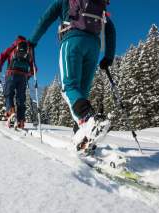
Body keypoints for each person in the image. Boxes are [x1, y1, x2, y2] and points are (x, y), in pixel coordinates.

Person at [29, 0, 116, 144]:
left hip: (72, 40)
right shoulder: (98, 3)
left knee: (69, 87)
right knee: (82, 92)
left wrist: (32, 41)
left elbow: (45, 19)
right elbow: (110, 29)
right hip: (93, 47)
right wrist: (108, 57)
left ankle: (88, 119)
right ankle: (82, 134)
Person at [0, 35, 35, 129]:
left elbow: (2, 57)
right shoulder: (29, 49)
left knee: (8, 94)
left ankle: (11, 113)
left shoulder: (13, 46)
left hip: (11, 74)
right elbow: (33, 67)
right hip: (23, 76)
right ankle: (21, 121)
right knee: (21, 99)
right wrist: (28, 76)